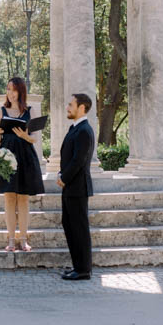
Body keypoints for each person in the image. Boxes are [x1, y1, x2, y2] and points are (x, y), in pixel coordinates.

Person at [0, 77, 44, 252]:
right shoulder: (1, 111)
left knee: (23, 198)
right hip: (6, 155)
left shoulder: (31, 111)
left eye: (14, 90)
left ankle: (23, 239)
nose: (10, 93)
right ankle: (10, 239)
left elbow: (35, 138)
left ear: (21, 92)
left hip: (25, 156)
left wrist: (24, 136)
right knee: (9, 198)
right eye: (8, 89)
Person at [57, 92, 95, 280]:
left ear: (82, 108)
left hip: (77, 187)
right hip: (70, 187)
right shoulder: (75, 128)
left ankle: (83, 270)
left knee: (79, 228)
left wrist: (64, 177)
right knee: (69, 226)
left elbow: (79, 160)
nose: (68, 107)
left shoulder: (84, 130)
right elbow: (68, 157)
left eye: (71, 104)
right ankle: (77, 266)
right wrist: (60, 174)